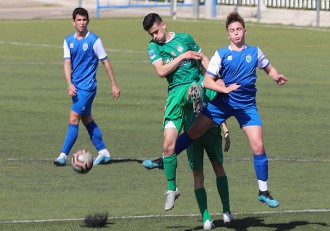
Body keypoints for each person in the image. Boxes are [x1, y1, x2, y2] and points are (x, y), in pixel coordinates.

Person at [175, 12, 288, 208]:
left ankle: (263, 191)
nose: (236, 33)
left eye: (239, 29)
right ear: (227, 34)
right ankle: (165, 158)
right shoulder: (221, 54)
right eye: (232, 30)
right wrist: (224, 89)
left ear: (245, 30)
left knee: (258, 146)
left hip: (246, 106)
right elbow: (207, 81)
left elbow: (268, 68)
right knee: (193, 132)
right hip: (222, 103)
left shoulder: (255, 52)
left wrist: (276, 76)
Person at [142, 13, 236, 214]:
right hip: (175, 92)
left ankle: (197, 99)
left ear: (163, 25)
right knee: (168, 145)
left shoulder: (185, 38)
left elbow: (202, 59)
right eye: (152, 34)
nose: (156, 37)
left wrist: (214, 77)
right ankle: (172, 189)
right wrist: (183, 57)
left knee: (196, 89)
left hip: (194, 84)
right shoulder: (153, 47)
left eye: (157, 31)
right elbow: (161, 71)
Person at [143, 87, 234, 230]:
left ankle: (226, 211)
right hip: (193, 134)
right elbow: (172, 110)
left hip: (209, 131)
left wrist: (226, 130)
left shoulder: (206, 83)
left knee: (216, 167)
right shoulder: (186, 86)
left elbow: (219, 107)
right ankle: (206, 218)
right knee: (199, 173)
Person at [54, 7, 120, 167]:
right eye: (79, 20)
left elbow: (105, 62)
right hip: (75, 88)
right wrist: (69, 83)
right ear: (73, 22)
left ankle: (63, 155)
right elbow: (67, 63)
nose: (82, 23)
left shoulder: (94, 40)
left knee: (73, 118)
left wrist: (114, 84)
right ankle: (103, 152)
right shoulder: (68, 41)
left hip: (88, 88)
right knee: (86, 119)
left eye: (84, 20)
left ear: (88, 21)